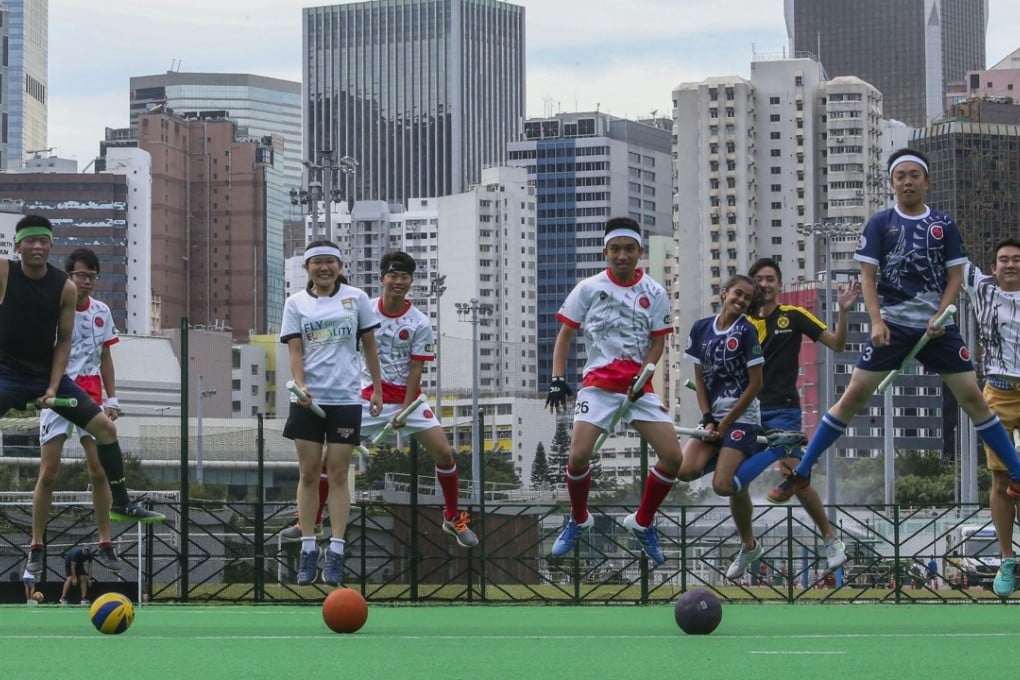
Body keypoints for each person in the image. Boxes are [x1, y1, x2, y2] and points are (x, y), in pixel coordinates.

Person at [768, 149, 1020, 511]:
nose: (907, 181)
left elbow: (954, 275)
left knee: (974, 400)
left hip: (936, 329)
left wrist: (942, 314)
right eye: (900, 176)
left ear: (926, 182)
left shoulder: (944, 224)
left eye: (914, 175)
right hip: (893, 326)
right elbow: (868, 277)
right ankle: (803, 470)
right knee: (853, 396)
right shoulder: (880, 223)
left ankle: (1016, 473)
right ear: (892, 183)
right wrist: (876, 320)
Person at [0, 216, 164, 577]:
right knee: (49, 471)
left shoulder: (64, 289)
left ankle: (122, 503)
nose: (38, 246)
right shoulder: (5, 272)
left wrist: (53, 387)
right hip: (7, 372)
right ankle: (36, 545)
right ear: (18, 245)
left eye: (44, 240)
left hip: (51, 377)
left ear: (51, 246)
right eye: (31, 241)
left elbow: (64, 342)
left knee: (106, 430)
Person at [545, 216, 682, 566]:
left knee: (673, 459)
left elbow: (657, 344)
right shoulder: (588, 288)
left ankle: (643, 521)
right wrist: (557, 379)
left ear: (639, 252)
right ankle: (578, 519)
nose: (622, 256)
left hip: (638, 388)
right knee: (577, 456)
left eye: (629, 249)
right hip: (599, 386)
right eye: (616, 249)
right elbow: (564, 336)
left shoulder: (655, 292)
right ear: (605, 251)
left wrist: (643, 375)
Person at [718, 258, 860, 577]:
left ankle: (830, 539)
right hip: (747, 411)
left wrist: (844, 310)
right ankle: (749, 545)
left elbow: (837, 344)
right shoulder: (740, 323)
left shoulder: (793, 316)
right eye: (759, 280)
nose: (764, 284)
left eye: (771, 279)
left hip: (783, 409)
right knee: (735, 483)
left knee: (796, 478)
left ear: (779, 285)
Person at [358, 251, 477, 548]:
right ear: (382, 278)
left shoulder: (420, 321)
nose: (399, 282)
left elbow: (416, 368)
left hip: (408, 401)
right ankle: (311, 519)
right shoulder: (364, 312)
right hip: (368, 396)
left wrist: (406, 408)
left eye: (405, 277)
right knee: (328, 455)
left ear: (411, 282)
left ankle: (452, 518)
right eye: (393, 276)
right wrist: (375, 391)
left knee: (445, 453)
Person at [281, 240, 383, 586]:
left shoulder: (357, 298)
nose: (324, 268)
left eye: (330, 262)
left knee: (338, 473)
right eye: (317, 263)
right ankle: (309, 546)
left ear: (340, 265)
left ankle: (337, 550)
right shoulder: (295, 303)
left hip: (345, 399)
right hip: (308, 401)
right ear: (307, 268)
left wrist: (377, 389)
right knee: (309, 474)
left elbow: (369, 346)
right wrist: (300, 384)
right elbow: (295, 349)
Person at [33, 248, 123, 572]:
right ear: (69, 275)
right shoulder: (57, 307)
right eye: (81, 275)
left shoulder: (102, 311)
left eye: (92, 276)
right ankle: (36, 543)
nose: (87, 281)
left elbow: (106, 358)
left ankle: (105, 540)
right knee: (49, 472)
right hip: (59, 394)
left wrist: (112, 399)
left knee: (99, 472)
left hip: (90, 396)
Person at [675, 274, 764, 579]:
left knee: (723, 486)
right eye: (737, 294)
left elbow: (755, 385)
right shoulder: (701, 328)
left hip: (742, 419)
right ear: (724, 293)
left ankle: (768, 451)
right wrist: (709, 417)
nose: (740, 301)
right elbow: (699, 378)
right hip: (714, 420)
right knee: (684, 471)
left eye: (747, 298)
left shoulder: (748, 331)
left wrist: (726, 423)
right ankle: (733, 458)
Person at [962, 237, 1020, 597]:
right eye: (1004, 260)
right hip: (997, 393)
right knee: (1001, 482)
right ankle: (1007, 558)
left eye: (1016, 260)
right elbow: (953, 254)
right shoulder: (982, 289)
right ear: (993, 266)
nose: (1011, 265)